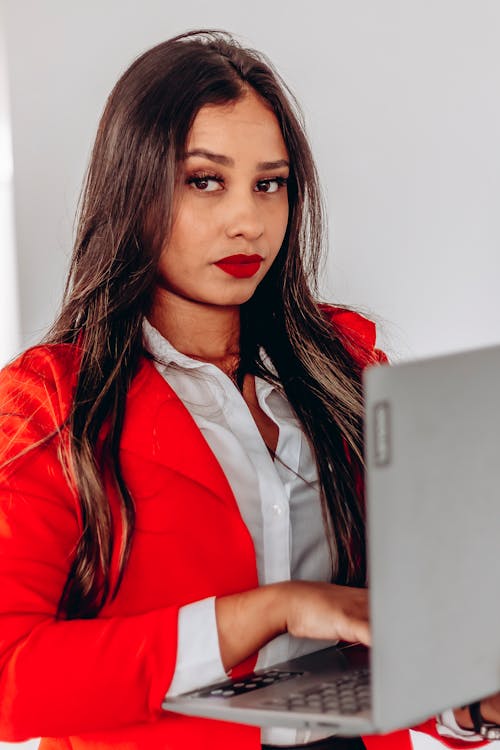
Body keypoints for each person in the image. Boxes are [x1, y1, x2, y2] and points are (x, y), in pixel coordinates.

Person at [0, 29, 496, 750]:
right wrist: (274, 609)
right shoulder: (50, 402)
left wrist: (469, 705)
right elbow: (12, 682)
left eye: (270, 183)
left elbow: (391, 632)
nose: (249, 220)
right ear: (132, 187)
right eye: (205, 180)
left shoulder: (346, 368)